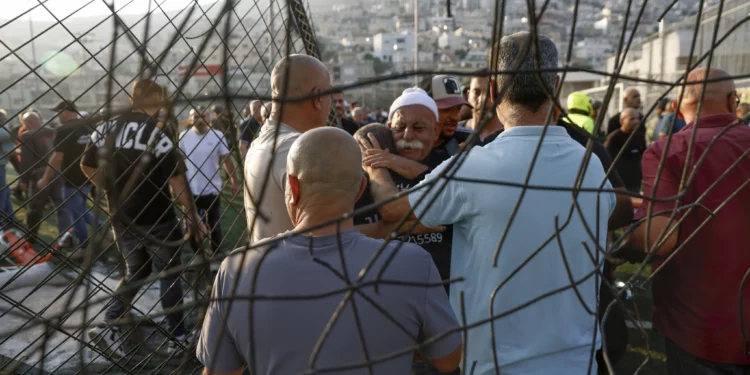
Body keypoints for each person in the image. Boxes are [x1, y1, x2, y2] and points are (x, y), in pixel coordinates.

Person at [363, 32, 615, 374]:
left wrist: (374, 167)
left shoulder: (475, 167)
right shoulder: (592, 166)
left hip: (496, 364)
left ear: (493, 92)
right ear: (555, 88)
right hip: (576, 360)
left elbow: (394, 211)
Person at [197, 127, 462, 375]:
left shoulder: (237, 269)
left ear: (292, 187)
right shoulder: (411, 264)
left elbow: (220, 370)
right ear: (360, 189)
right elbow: (449, 359)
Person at [618, 68, 750, 375]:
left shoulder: (670, 151)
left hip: (699, 327)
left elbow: (657, 237)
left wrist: (622, 242)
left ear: (678, 106)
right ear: (733, 101)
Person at [83, 79, 207, 357]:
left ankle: (108, 325)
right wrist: (192, 215)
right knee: (170, 273)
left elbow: (86, 164)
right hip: (156, 215)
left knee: (136, 272)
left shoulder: (106, 127)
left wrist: (110, 187)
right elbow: (177, 179)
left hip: (121, 216)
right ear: (153, 98)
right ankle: (178, 336)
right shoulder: (157, 132)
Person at [354, 90, 454, 291]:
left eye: (418, 128)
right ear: (389, 128)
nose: (408, 135)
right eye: (400, 128)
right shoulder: (366, 171)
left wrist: (414, 169)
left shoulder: (450, 165)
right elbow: (345, 232)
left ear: (435, 132)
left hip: (441, 288)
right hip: (380, 287)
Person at [244, 54, 331, 243]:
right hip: (299, 270)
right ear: (317, 98)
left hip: (265, 266)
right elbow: (329, 236)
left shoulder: (261, 142)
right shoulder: (297, 148)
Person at [37, 100, 103, 248]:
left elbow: (57, 157)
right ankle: (102, 229)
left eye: (58, 112)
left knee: (75, 213)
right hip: (88, 175)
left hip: (72, 178)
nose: (57, 116)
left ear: (65, 111)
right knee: (80, 208)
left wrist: (45, 178)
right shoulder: (88, 126)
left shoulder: (64, 129)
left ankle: (83, 245)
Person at [179, 108, 240, 256]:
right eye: (195, 116)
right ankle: (198, 255)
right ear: (190, 119)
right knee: (191, 225)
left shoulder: (217, 135)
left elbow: (227, 159)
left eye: (203, 116)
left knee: (215, 224)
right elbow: (179, 162)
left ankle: (216, 253)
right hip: (191, 189)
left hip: (213, 189)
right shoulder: (184, 136)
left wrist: (235, 181)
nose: (199, 119)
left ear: (209, 118)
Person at [18, 111, 73, 244]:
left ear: (29, 123)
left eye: (25, 123)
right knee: (62, 207)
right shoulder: (53, 131)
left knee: (35, 209)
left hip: (39, 175)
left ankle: (31, 238)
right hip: (57, 171)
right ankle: (67, 239)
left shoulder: (27, 135)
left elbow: (27, 159)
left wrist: (24, 180)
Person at [419, 75, 471, 156]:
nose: (455, 117)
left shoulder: (470, 140)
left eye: (458, 109)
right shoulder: (403, 142)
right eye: (447, 109)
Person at [605, 108, 647, 193]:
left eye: (638, 118)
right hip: (618, 185)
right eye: (632, 119)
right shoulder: (613, 138)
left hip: (635, 183)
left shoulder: (640, 137)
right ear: (621, 121)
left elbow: (643, 157)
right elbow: (606, 162)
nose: (636, 121)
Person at [462, 73, 504, 143]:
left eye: (489, 93)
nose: (482, 100)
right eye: (476, 92)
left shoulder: (508, 134)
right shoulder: (455, 132)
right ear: (468, 95)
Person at [0, 109, 18, 228]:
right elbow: (10, 152)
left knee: (5, 191)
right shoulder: (3, 132)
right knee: (2, 193)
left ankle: (10, 216)